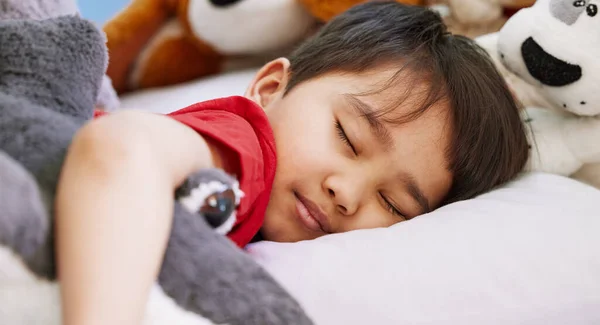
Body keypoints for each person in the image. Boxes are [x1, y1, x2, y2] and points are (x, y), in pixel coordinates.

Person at [54, 2, 529, 324]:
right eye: (347, 136)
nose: (347, 193)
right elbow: (119, 146)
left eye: (394, 202)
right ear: (269, 89)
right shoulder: (244, 147)